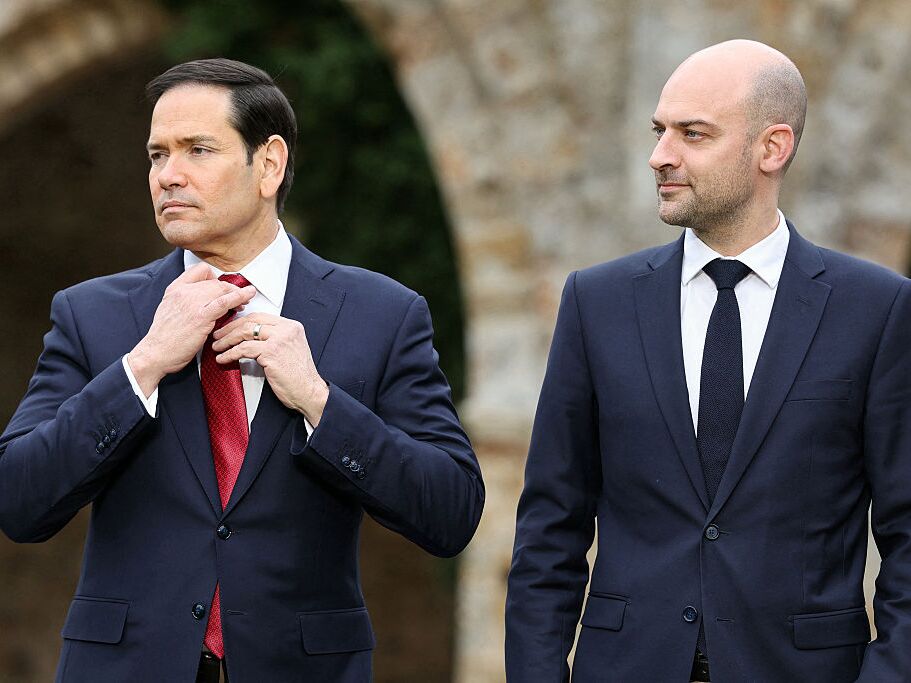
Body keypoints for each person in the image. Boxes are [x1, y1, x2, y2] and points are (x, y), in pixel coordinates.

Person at [0, 58, 483, 682]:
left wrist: (318, 401)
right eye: (156, 155)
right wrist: (142, 368)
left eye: (198, 150)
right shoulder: (91, 313)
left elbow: (451, 511)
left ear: (270, 165)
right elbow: (18, 499)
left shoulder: (383, 314)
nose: (167, 176)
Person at [505, 39, 911, 682]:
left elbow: (907, 530)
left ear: (771, 148)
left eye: (693, 134)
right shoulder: (597, 302)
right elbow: (550, 527)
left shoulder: (877, 309)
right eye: (660, 130)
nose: (660, 155)